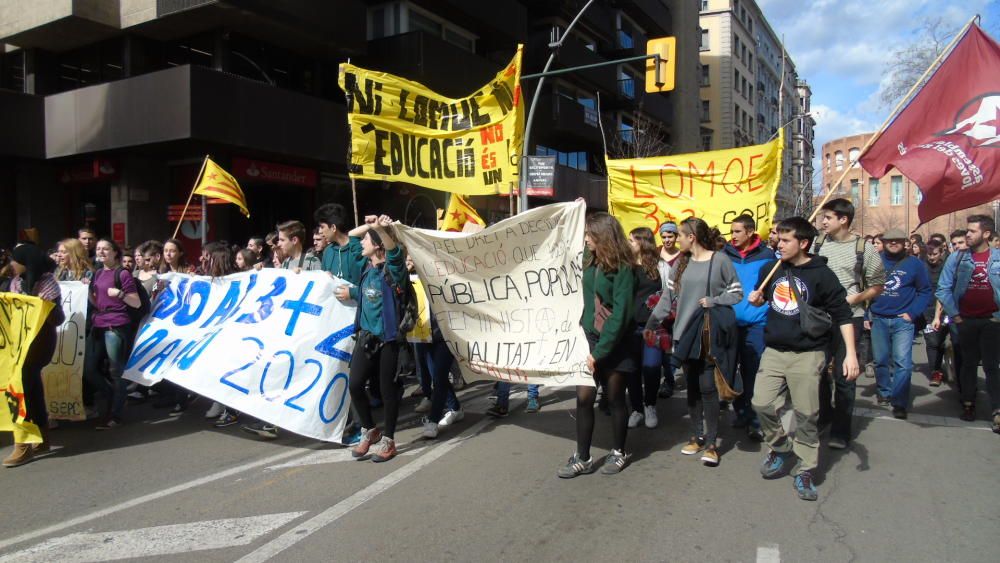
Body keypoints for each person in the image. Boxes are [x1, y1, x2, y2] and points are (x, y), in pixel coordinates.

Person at [749, 217, 858, 501]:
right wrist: (758, 299)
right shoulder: (770, 268)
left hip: (808, 354)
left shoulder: (822, 275)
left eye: (786, 240)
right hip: (774, 350)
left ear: (804, 243)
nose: (779, 244)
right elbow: (764, 298)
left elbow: (843, 315)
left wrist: (851, 356)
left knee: (806, 414)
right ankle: (781, 447)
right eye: (778, 239)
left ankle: (806, 469)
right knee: (760, 403)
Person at [646, 217, 743, 466]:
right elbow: (667, 299)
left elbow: (736, 292)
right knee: (692, 387)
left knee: (708, 388)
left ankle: (712, 443)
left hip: (708, 334)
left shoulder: (720, 260)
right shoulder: (681, 263)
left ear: (692, 237)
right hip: (683, 335)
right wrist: (651, 324)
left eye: (680, 235)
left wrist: (715, 300)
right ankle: (697, 435)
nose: (676, 239)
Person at [558, 212, 636, 478]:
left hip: (615, 342)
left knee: (614, 399)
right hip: (588, 338)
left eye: (590, 234)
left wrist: (600, 353)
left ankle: (619, 451)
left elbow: (622, 314)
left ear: (603, 236)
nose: (586, 239)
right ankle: (583, 457)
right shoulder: (587, 260)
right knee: (584, 399)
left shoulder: (624, 268)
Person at [335, 215, 409, 462]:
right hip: (366, 338)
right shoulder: (366, 267)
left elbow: (395, 252)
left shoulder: (394, 269)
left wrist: (380, 230)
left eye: (368, 239)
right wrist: (371, 225)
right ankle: (370, 430)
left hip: (389, 340)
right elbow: (350, 238)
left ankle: (388, 440)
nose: (362, 242)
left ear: (378, 246)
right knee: (355, 384)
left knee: (388, 392)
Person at [814, 198, 885, 449]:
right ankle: (824, 416)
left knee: (846, 375)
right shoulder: (817, 243)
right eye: (823, 217)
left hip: (850, 317)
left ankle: (841, 430)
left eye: (828, 217)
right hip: (819, 318)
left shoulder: (863, 248)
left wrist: (857, 297)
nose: (823, 221)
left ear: (843, 220)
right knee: (818, 372)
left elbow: (878, 284)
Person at [936, 215, 1000, 430]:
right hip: (965, 321)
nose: (968, 234)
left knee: (992, 366)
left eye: (972, 231)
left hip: (992, 321)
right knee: (968, 364)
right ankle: (968, 403)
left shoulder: (998, 257)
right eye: (968, 230)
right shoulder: (957, 258)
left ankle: (997, 410)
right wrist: (955, 315)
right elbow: (942, 288)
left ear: (986, 234)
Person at [3, 244, 63, 467]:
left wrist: (43, 306)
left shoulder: (47, 283)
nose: (12, 264)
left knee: (21, 388)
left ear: (26, 262)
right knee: (31, 387)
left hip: (38, 345)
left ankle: (23, 444)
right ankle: (41, 436)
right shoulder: (16, 282)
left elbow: (58, 318)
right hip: (18, 345)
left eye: (15, 260)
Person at [722, 214, 775, 441]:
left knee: (753, 373)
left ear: (751, 232)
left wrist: (763, 302)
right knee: (731, 372)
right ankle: (741, 412)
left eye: (737, 232)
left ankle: (755, 420)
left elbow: (774, 291)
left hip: (756, 325)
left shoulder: (768, 257)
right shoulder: (724, 255)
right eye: (731, 231)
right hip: (730, 324)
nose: (732, 236)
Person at [870, 229, 932, 419]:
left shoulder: (915, 264)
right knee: (880, 360)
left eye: (898, 240)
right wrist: (866, 314)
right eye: (889, 241)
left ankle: (899, 401)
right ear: (884, 242)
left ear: (905, 243)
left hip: (902, 321)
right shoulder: (875, 261)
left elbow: (925, 291)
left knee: (902, 363)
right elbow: (866, 289)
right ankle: (884, 391)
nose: (893, 243)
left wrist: (912, 313)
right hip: (878, 318)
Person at [84, 239, 142, 430]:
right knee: (89, 369)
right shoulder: (98, 273)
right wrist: (85, 291)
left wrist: (120, 294)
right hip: (98, 325)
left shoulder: (123, 274)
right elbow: (96, 301)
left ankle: (115, 414)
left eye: (105, 249)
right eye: (98, 249)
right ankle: (115, 397)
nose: (101, 252)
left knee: (116, 371)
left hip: (116, 327)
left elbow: (136, 303)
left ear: (115, 253)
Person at [619, 227, 667, 429]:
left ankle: (650, 405)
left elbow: (668, 295)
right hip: (629, 328)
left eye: (632, 240)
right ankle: (637, 409)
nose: (629, 244)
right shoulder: (625, 266)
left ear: (642, 242)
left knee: (652, 367)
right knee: (632, 370)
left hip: (652, 327)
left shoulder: (660, 267)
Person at [657, 221, 683, 397]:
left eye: (670, 236)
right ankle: (667, 377)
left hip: (678, 307)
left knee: (673, 346)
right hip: (657, 305)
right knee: (661, 345)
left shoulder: (683, 256)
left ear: (676, 237)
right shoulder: (655, 255)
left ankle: (669, 379)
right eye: (664, 236)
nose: (667, 240)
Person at [924, 241, 951, 387]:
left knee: (945, 341)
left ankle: (954, 369)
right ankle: (935, 371)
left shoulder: (947, 267)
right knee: (932, 341)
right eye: (929, 254)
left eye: (935, 254)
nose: (931, 257)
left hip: (947, 310)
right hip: (927, 310)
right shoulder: (922, 267)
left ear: (941, 253)